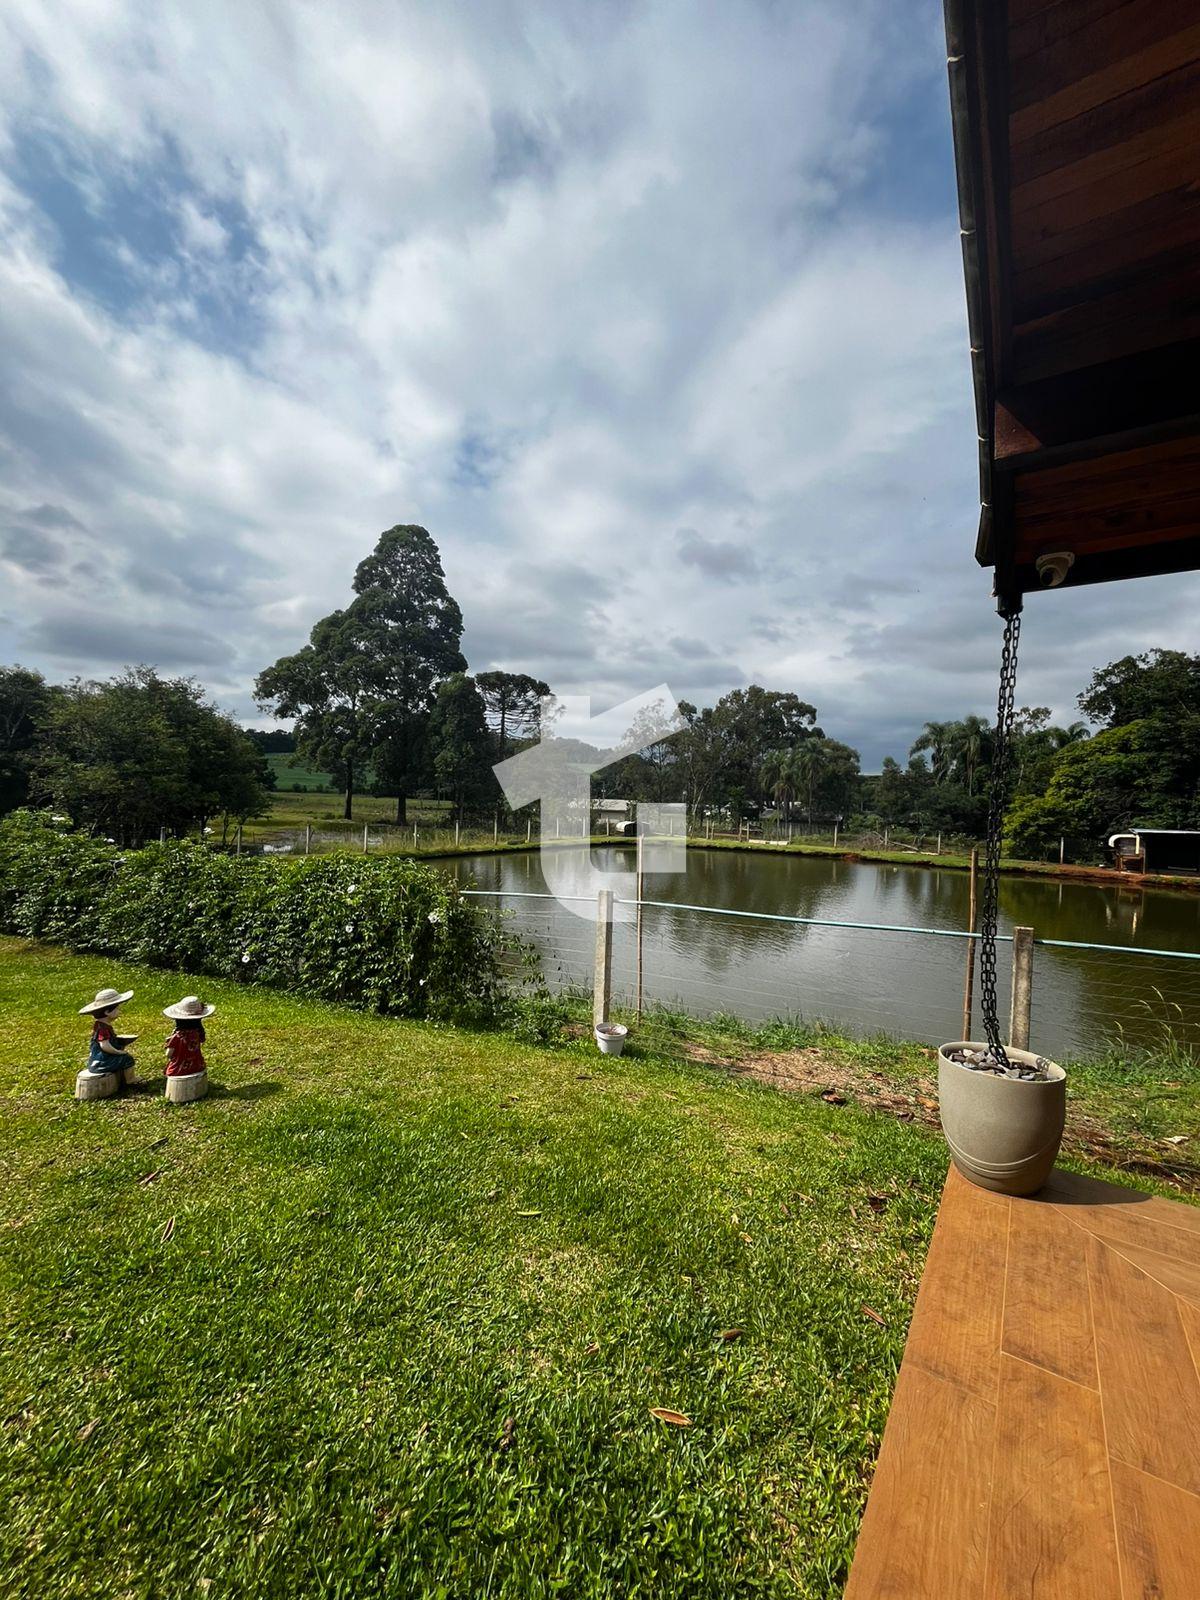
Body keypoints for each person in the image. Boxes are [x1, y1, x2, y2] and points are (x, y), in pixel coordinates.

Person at [80, 987, 138, 1081]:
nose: (120, 1011)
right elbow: (104, 1046)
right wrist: (118, 1052)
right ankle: (130, 1079)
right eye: (117, 1009)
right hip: (101, 1062)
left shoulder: (102, 1025)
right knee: (127, 1058)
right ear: (107, 1012)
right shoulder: (102, 1029)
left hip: (100, 1060)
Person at [162, 995, 215, 1078]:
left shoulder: (177, 1037)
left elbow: (168, 1054)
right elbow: (201, 1040)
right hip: (198, 1066)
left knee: (170, 1070)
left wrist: (169, 1043)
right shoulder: (197, 1033)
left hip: (179, 1070)